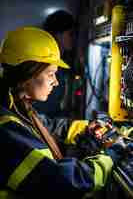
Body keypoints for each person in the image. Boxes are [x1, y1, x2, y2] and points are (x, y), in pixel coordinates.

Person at [0, 26, 125, 199]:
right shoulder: (5, 129)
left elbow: (47, 125)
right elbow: (64, 184)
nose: (56, 82)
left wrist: (87, 127)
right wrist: (112, 155)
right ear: (27, 74)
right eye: (51, 74)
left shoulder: (16, 106)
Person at [34, 10, 77, 118]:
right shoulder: (44, 62)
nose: (74, 38)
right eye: (70, 34)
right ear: (58, 34)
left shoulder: (62, 62)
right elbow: (45, 108)